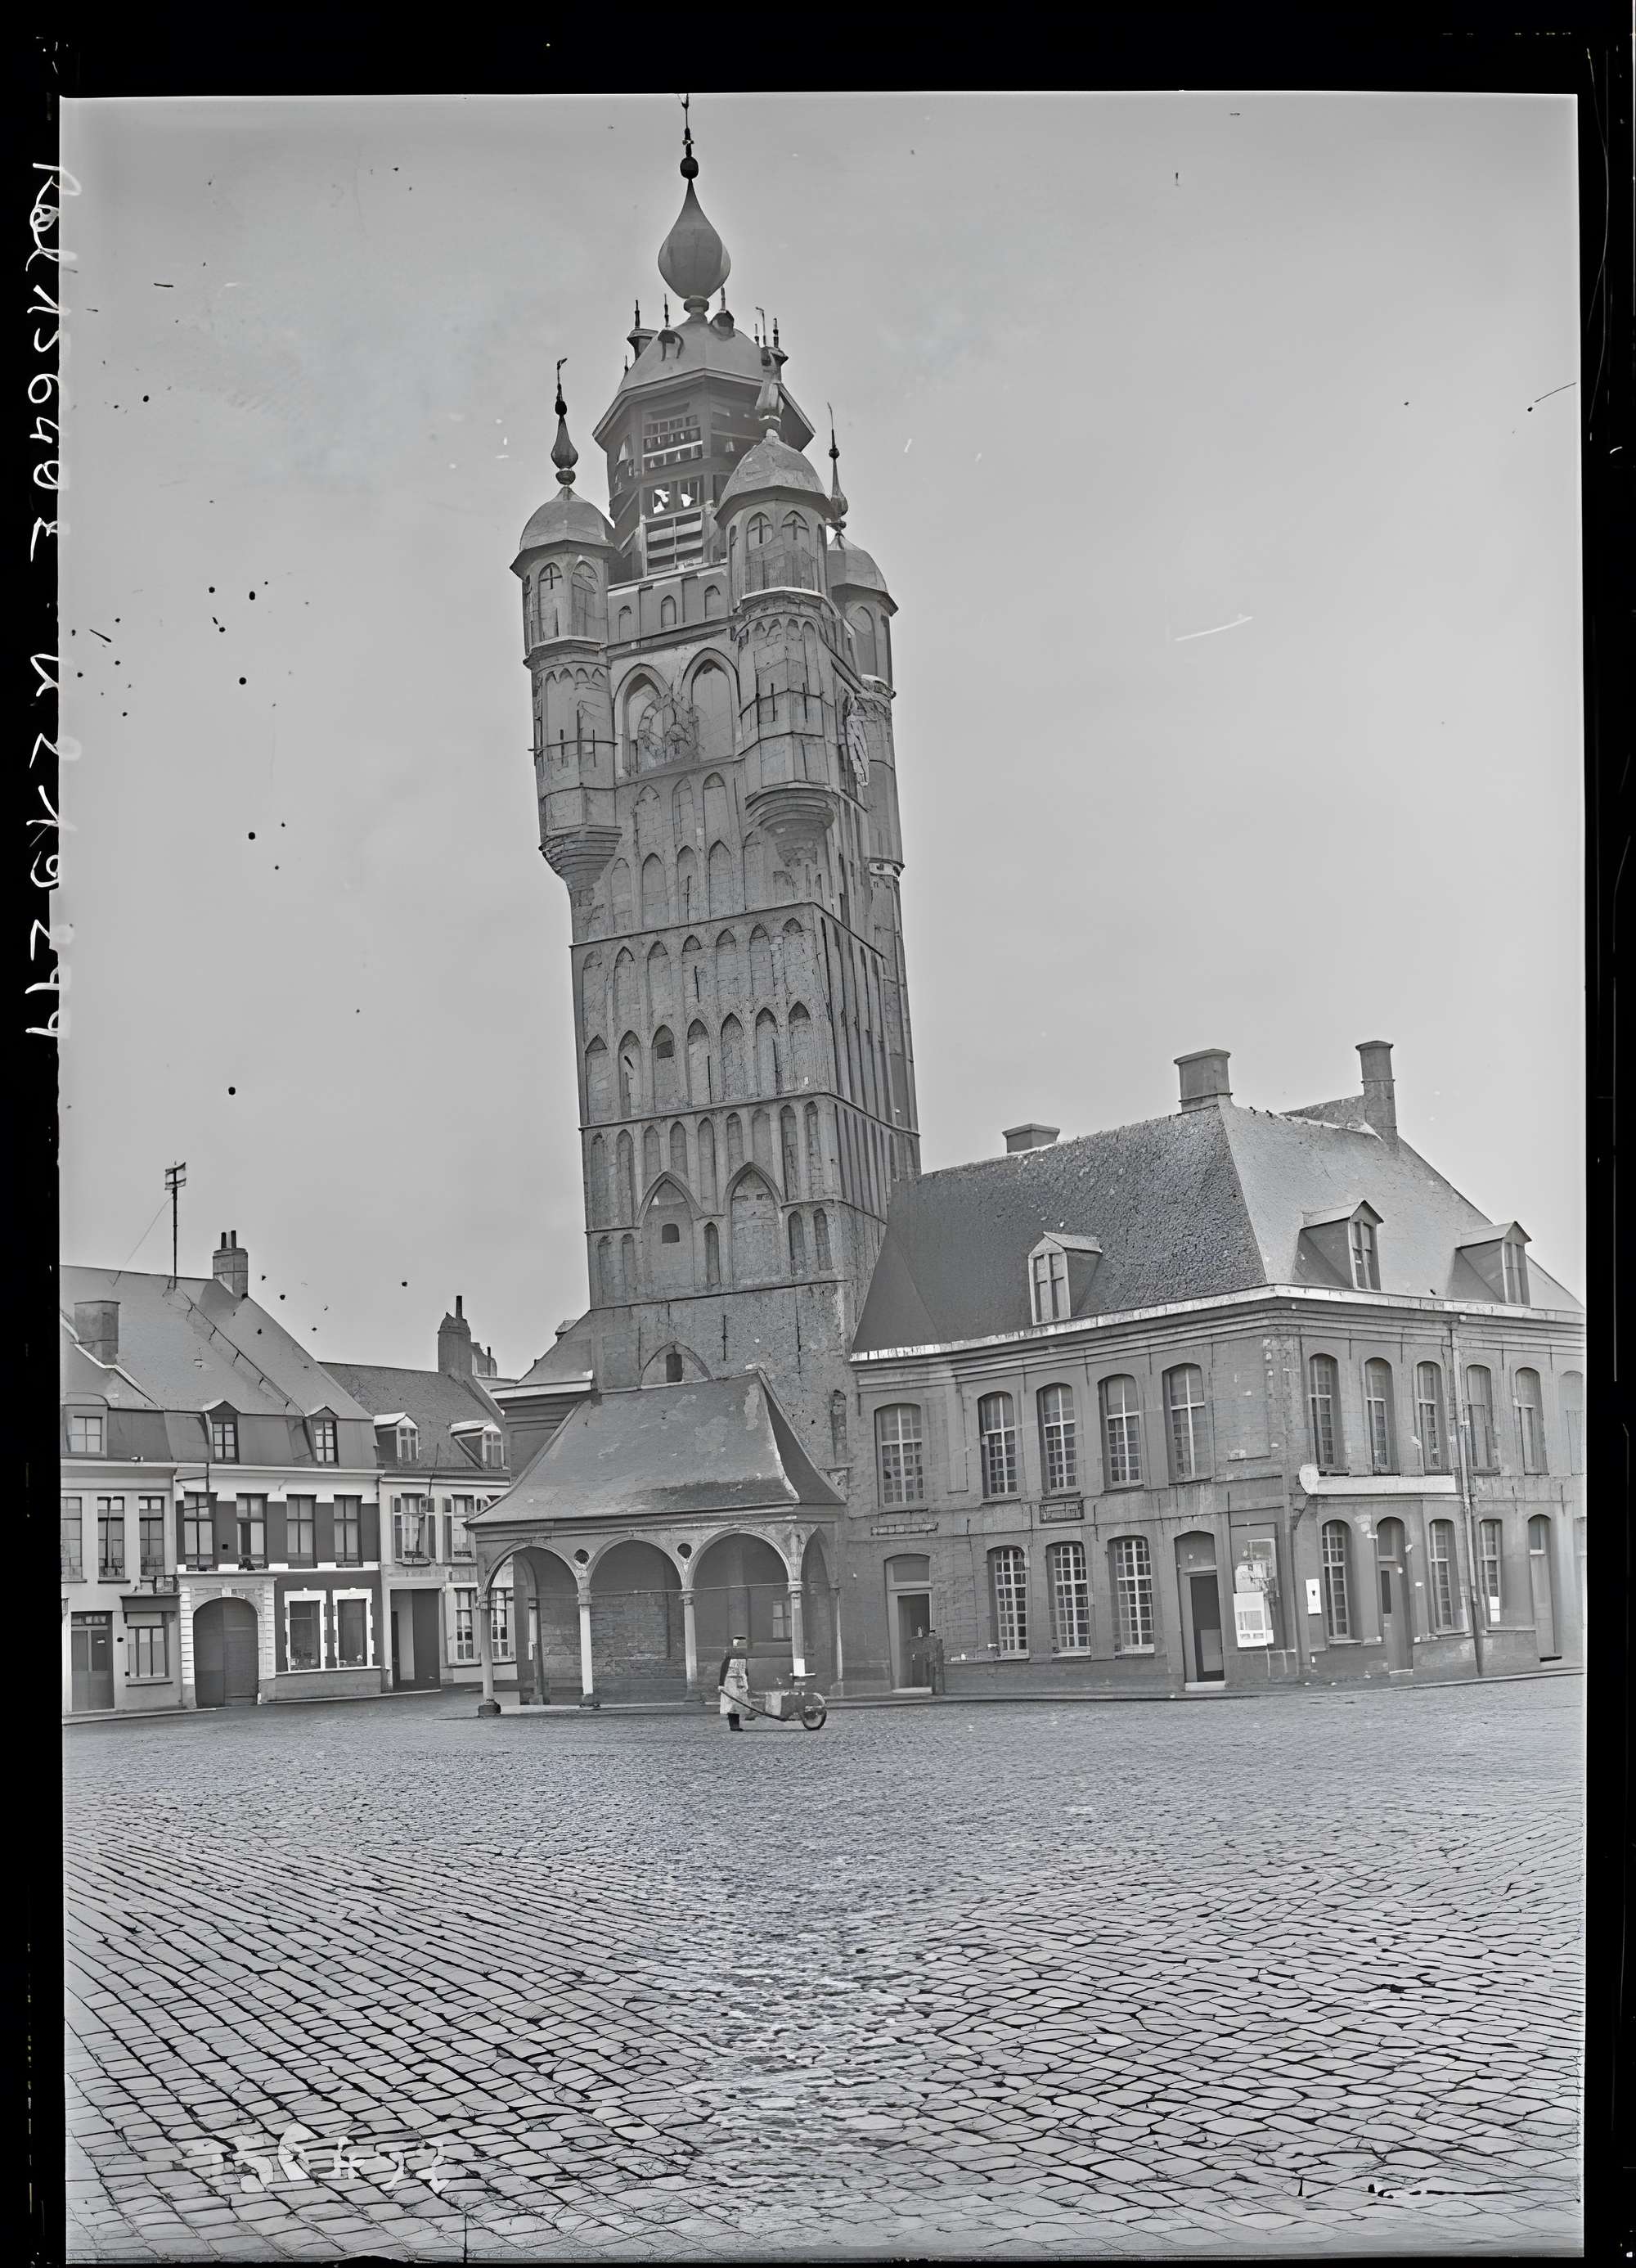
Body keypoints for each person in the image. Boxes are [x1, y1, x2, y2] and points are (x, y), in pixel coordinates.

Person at [718, 1634, 753, 1730]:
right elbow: (723, 1670)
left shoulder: (745, 1658)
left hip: (741, 1681)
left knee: (738, 1704)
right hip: (730, 1682)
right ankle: (733, 1725)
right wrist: (721, 1684)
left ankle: (736, 1724)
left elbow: (746, 1671)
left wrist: (747, 1681)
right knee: (731, 1704)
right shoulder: (729, 1658)